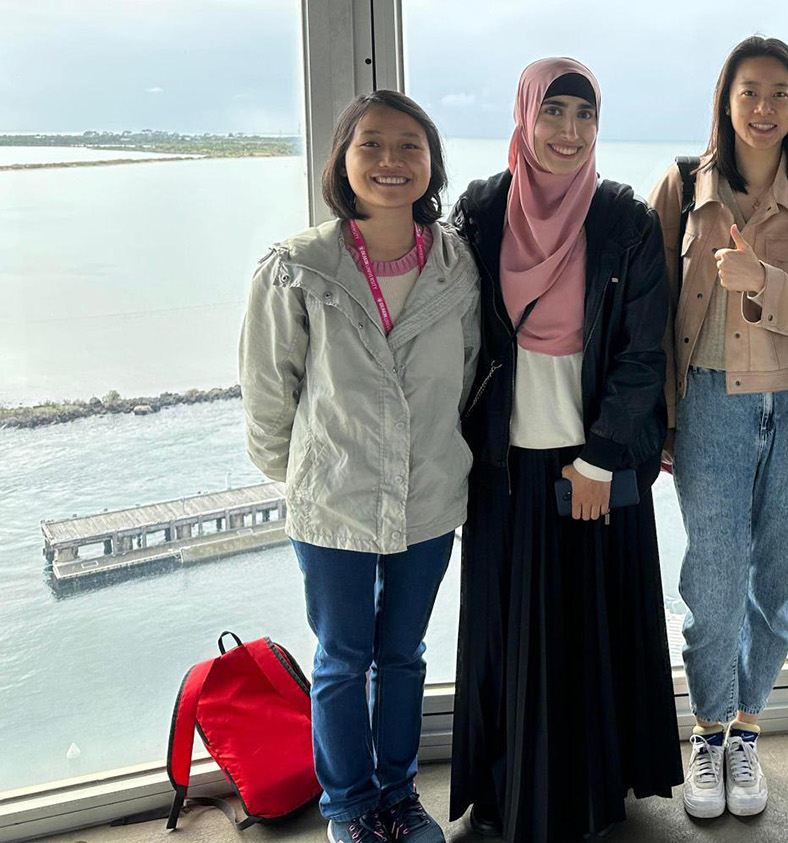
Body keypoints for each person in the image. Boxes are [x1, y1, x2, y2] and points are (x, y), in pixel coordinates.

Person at [446, 57, 681, 841]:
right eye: (554, 112)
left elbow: (644, 351)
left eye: (585, 115)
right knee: (507, 637)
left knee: (588, 633)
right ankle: (508, 791)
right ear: (524, 117)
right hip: (503, 466)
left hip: (592, 464)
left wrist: (604, 456)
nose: (569, 132)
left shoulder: (622, 219)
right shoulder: (480, 211)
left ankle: (587, 793)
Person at [240, 90, 476, 843]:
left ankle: (399, 798)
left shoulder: (455, 261)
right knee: (342, 658)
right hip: (333, 499)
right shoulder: (298, 266)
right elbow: (268, 389)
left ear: (431, 160)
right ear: (342, 159)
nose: (391, 161)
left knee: (402, 655)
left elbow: (468, 371)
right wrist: (306, 475)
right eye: (371, 144)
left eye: (409, 145)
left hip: (430, 494)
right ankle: (348, 808)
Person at [648, 36, 788, 820]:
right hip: (709, 404)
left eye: (780, 95)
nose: (764, 109)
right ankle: (705, 732)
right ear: (726, 101)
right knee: (712, 582)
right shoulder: (681, 187)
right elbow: (658, 313)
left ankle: (746, 731)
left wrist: (763, 279)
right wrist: (666, 415)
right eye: (750, 93)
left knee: (775, 583)